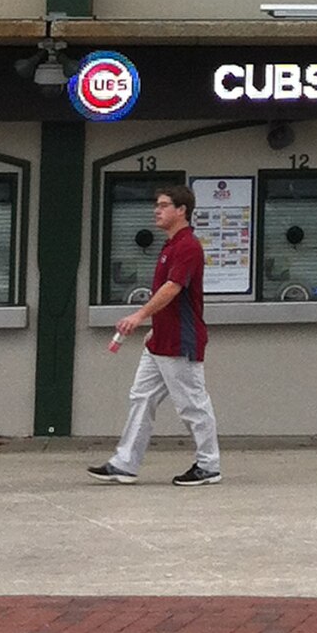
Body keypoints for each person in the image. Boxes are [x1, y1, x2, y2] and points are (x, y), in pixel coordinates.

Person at [87, 183, 222, 488]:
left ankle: (209, 465)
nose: (156, 210)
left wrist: (139, 316)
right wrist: (153, 326)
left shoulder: (188, 246)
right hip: (160, 340)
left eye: (163, 205)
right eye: (157, 205)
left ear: (181, 210)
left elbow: (173, 289)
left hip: (180, 341)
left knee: (192, 403)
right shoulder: (170, 245)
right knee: (141, 398)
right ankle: (124, 464)